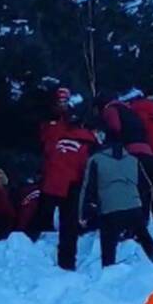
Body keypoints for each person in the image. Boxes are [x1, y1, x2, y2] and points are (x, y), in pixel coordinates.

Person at [79, 140, 153, 267]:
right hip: (134, 207)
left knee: (108, 246)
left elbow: (87, 188)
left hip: (109, 210)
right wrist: (144, 213)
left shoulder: (95, 160)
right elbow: (147, 188)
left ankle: (109, 272)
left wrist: (83, 214)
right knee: (144, 237)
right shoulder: (133, 160)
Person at [36, 113, 98, 270]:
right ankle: (67, 263)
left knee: (41, 217)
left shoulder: (60, 138)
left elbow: (48, 154)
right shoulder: (87, 143)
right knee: (69, 225)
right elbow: (87, 168)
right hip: (72, 184)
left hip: (50, 182)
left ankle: (30, 245)